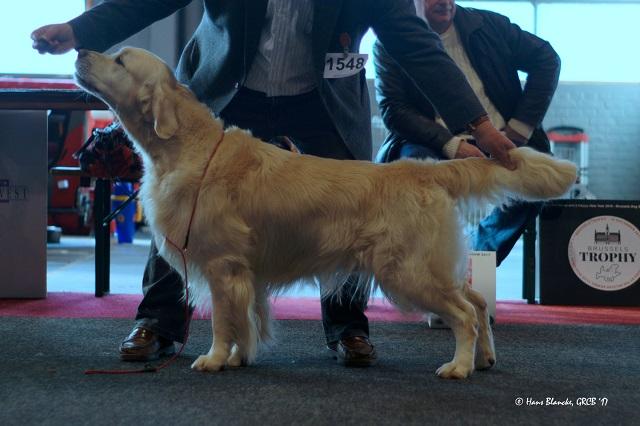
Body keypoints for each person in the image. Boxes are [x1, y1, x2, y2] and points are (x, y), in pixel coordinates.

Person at [32, 0, 516, 367]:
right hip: (230, 89)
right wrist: (77, 30)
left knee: (356, 209)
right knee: (187, 205)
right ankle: (158, 321)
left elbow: (415, 42)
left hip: (320, 96)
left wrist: (479, 124)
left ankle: (347, 329)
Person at [374, 0, 560, 267]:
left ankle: (479, 259)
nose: (444, 2)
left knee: (538, 180)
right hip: (433, 141)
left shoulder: (491, 26)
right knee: (417, 171)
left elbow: (547, 58)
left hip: (501, 136)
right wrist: (451, 145)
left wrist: (519, 127)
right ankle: (435, 275)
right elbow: (394, 109)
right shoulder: (390, 39)